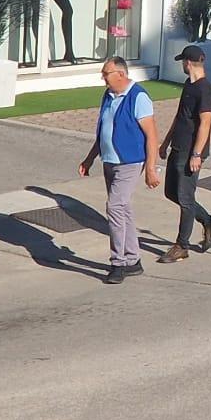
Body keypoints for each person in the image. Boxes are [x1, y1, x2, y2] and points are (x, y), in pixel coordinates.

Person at [78, 57, 161, 283]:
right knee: (123, 209)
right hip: (109, 162)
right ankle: (133, 259)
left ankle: (118, 263)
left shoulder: (138, 97)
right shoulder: (108, 95)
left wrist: (151, 169)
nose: (102, 78)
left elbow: (152, 136)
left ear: (121, 74)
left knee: (114, 206)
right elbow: (103, 130)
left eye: (106, 74)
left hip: (130, 162)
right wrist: (90, 159)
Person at [160, 45, 211, 263]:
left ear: (188, 63)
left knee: (186, 198)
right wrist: (166, 142)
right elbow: (181, 116)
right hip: (177, 146)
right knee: (171, 193)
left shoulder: (204, 89)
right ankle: (209, 221)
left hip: (190, 152)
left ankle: (181, 245)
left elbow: (205, 122)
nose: (182, 66)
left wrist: (197, 154)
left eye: (182, 62)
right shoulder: (189, 84)